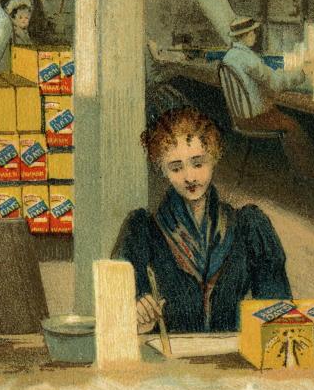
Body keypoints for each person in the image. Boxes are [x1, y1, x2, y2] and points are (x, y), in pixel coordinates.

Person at [114, 107, 292, 334]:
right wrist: (136, 311)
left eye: (198, 163)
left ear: (214, 157)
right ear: (162, 169)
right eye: (176, 167)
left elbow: (277, 311)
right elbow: (117, 304)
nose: (189, 177)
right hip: (170, 360)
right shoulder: (142, 230)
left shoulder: (249, 226)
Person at [221, 16, 314, 185]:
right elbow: (275, 83)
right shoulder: (249, 59)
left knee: (285, 118)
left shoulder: (228, 58)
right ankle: (311, 176)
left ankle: (307, 173)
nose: (255, 35)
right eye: (253, 32)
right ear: (246, 35)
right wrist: (303, 73)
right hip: (254, 119)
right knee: (292, 125)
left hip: (239, 118)